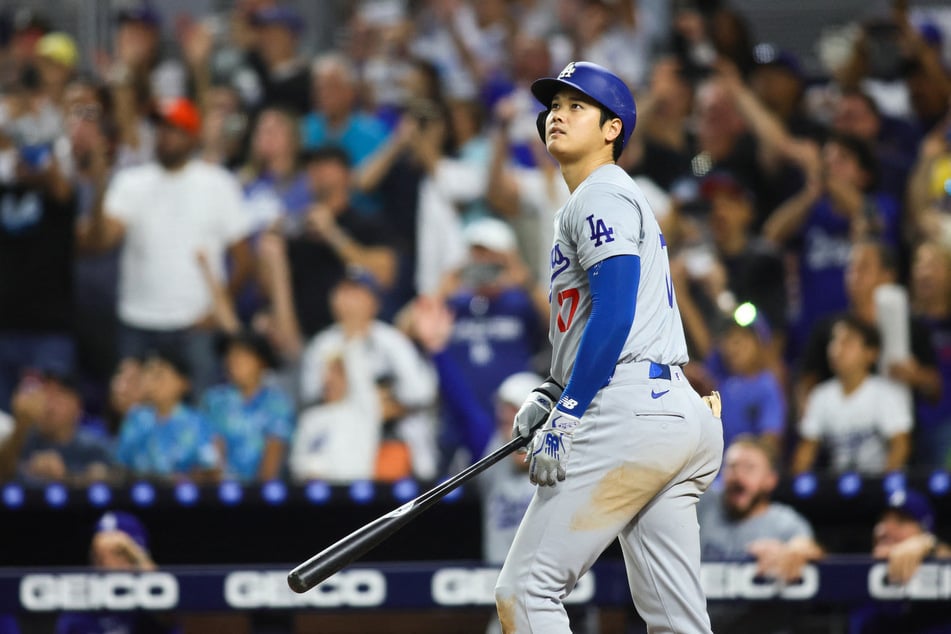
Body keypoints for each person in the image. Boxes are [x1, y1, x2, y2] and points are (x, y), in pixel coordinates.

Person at [496, 61, 723, 633]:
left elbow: (618, 310)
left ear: (612, 128)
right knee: (677, 622)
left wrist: (567, 414)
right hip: (671, 411)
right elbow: (598, 317)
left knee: (526, 592)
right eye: (554, 106)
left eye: (577, 107)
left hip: (629, 408)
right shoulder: (599, 198)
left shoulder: (600, 193)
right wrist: (552, 388)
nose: (557, 116)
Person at [76, 96, 254, 396]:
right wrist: (100, 184)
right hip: (138, 319)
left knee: (200, 408)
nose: (165, 136)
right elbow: (100, 242)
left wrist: (218, 307)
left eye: (175, 129)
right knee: (132, 412)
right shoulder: (131, 181)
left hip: (194, 322)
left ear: (193, 136)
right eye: (161, 128)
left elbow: (244, 260)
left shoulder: (218, 183)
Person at [698, 435, 823, 633]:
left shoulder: (783, 520)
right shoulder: (704, 506)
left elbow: (809, 546)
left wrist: (792, 551)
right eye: (731, 467)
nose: (737, 476)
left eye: (749, 468)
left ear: (770, 480)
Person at [791, 314, 913, 475]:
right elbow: (807, 449)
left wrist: (884, 483)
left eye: (847, 342)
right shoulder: (820, 396)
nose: (836, 349)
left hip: (877, 484)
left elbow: (900, 445)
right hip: (838, 485)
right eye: (833, 341)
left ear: (871, 353)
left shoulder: (885, 393)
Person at [55, 510, 182, 634]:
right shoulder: (81, 606)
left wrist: (142, 564)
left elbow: (169, 617)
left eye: (119, 553)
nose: (108, 562)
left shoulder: (154, 603)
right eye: (99, 555)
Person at [849, 489, 951, 634]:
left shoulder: (937, 558)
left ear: (925, 531)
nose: (885, 529)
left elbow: (944, 555)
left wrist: (931, 547)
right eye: (883, 520)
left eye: (901, 521)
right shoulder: (863, 576)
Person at [114, 347, 220, 482]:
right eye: (148, 373)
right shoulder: (135, 419)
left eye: (160, 374)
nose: (152, 381)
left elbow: (211, 471)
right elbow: (120, 466)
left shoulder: (198, 423)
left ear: (183, 383)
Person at [201, 330, 294, 482]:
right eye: (230, 355)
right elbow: (212, 453)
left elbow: (274, 455)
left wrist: (258, 496)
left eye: (242, 355)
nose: (233, 361)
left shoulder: (278, 403)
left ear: (261, 361)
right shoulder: (214, 401)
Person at [0, 370, 113, 485]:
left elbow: (116, 482)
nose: (49, 405)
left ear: (77, 404)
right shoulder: (22, 440)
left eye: (57, 396)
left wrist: (66, 476)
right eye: (44, 394)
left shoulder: (94, 447)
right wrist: (21, 426)